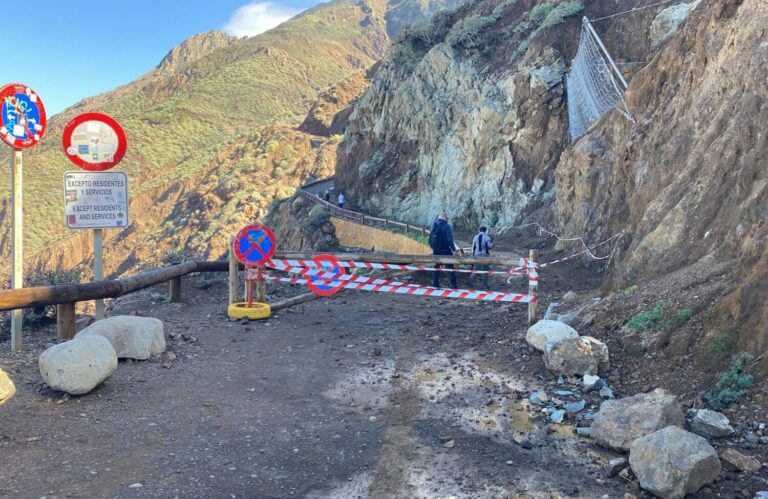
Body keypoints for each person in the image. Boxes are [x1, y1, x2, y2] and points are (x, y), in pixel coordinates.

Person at [429, 212, 459, 289]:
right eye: (447, 218)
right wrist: (453, 249)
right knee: (451, 267)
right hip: (445, 250)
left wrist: (433, 247)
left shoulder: (433, 225)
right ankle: (453, 284)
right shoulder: (446, 226)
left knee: (436, 267)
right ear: (445, 218)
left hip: (436, 251)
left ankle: (435, 284)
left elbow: (429, 239)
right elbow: (450, 239)